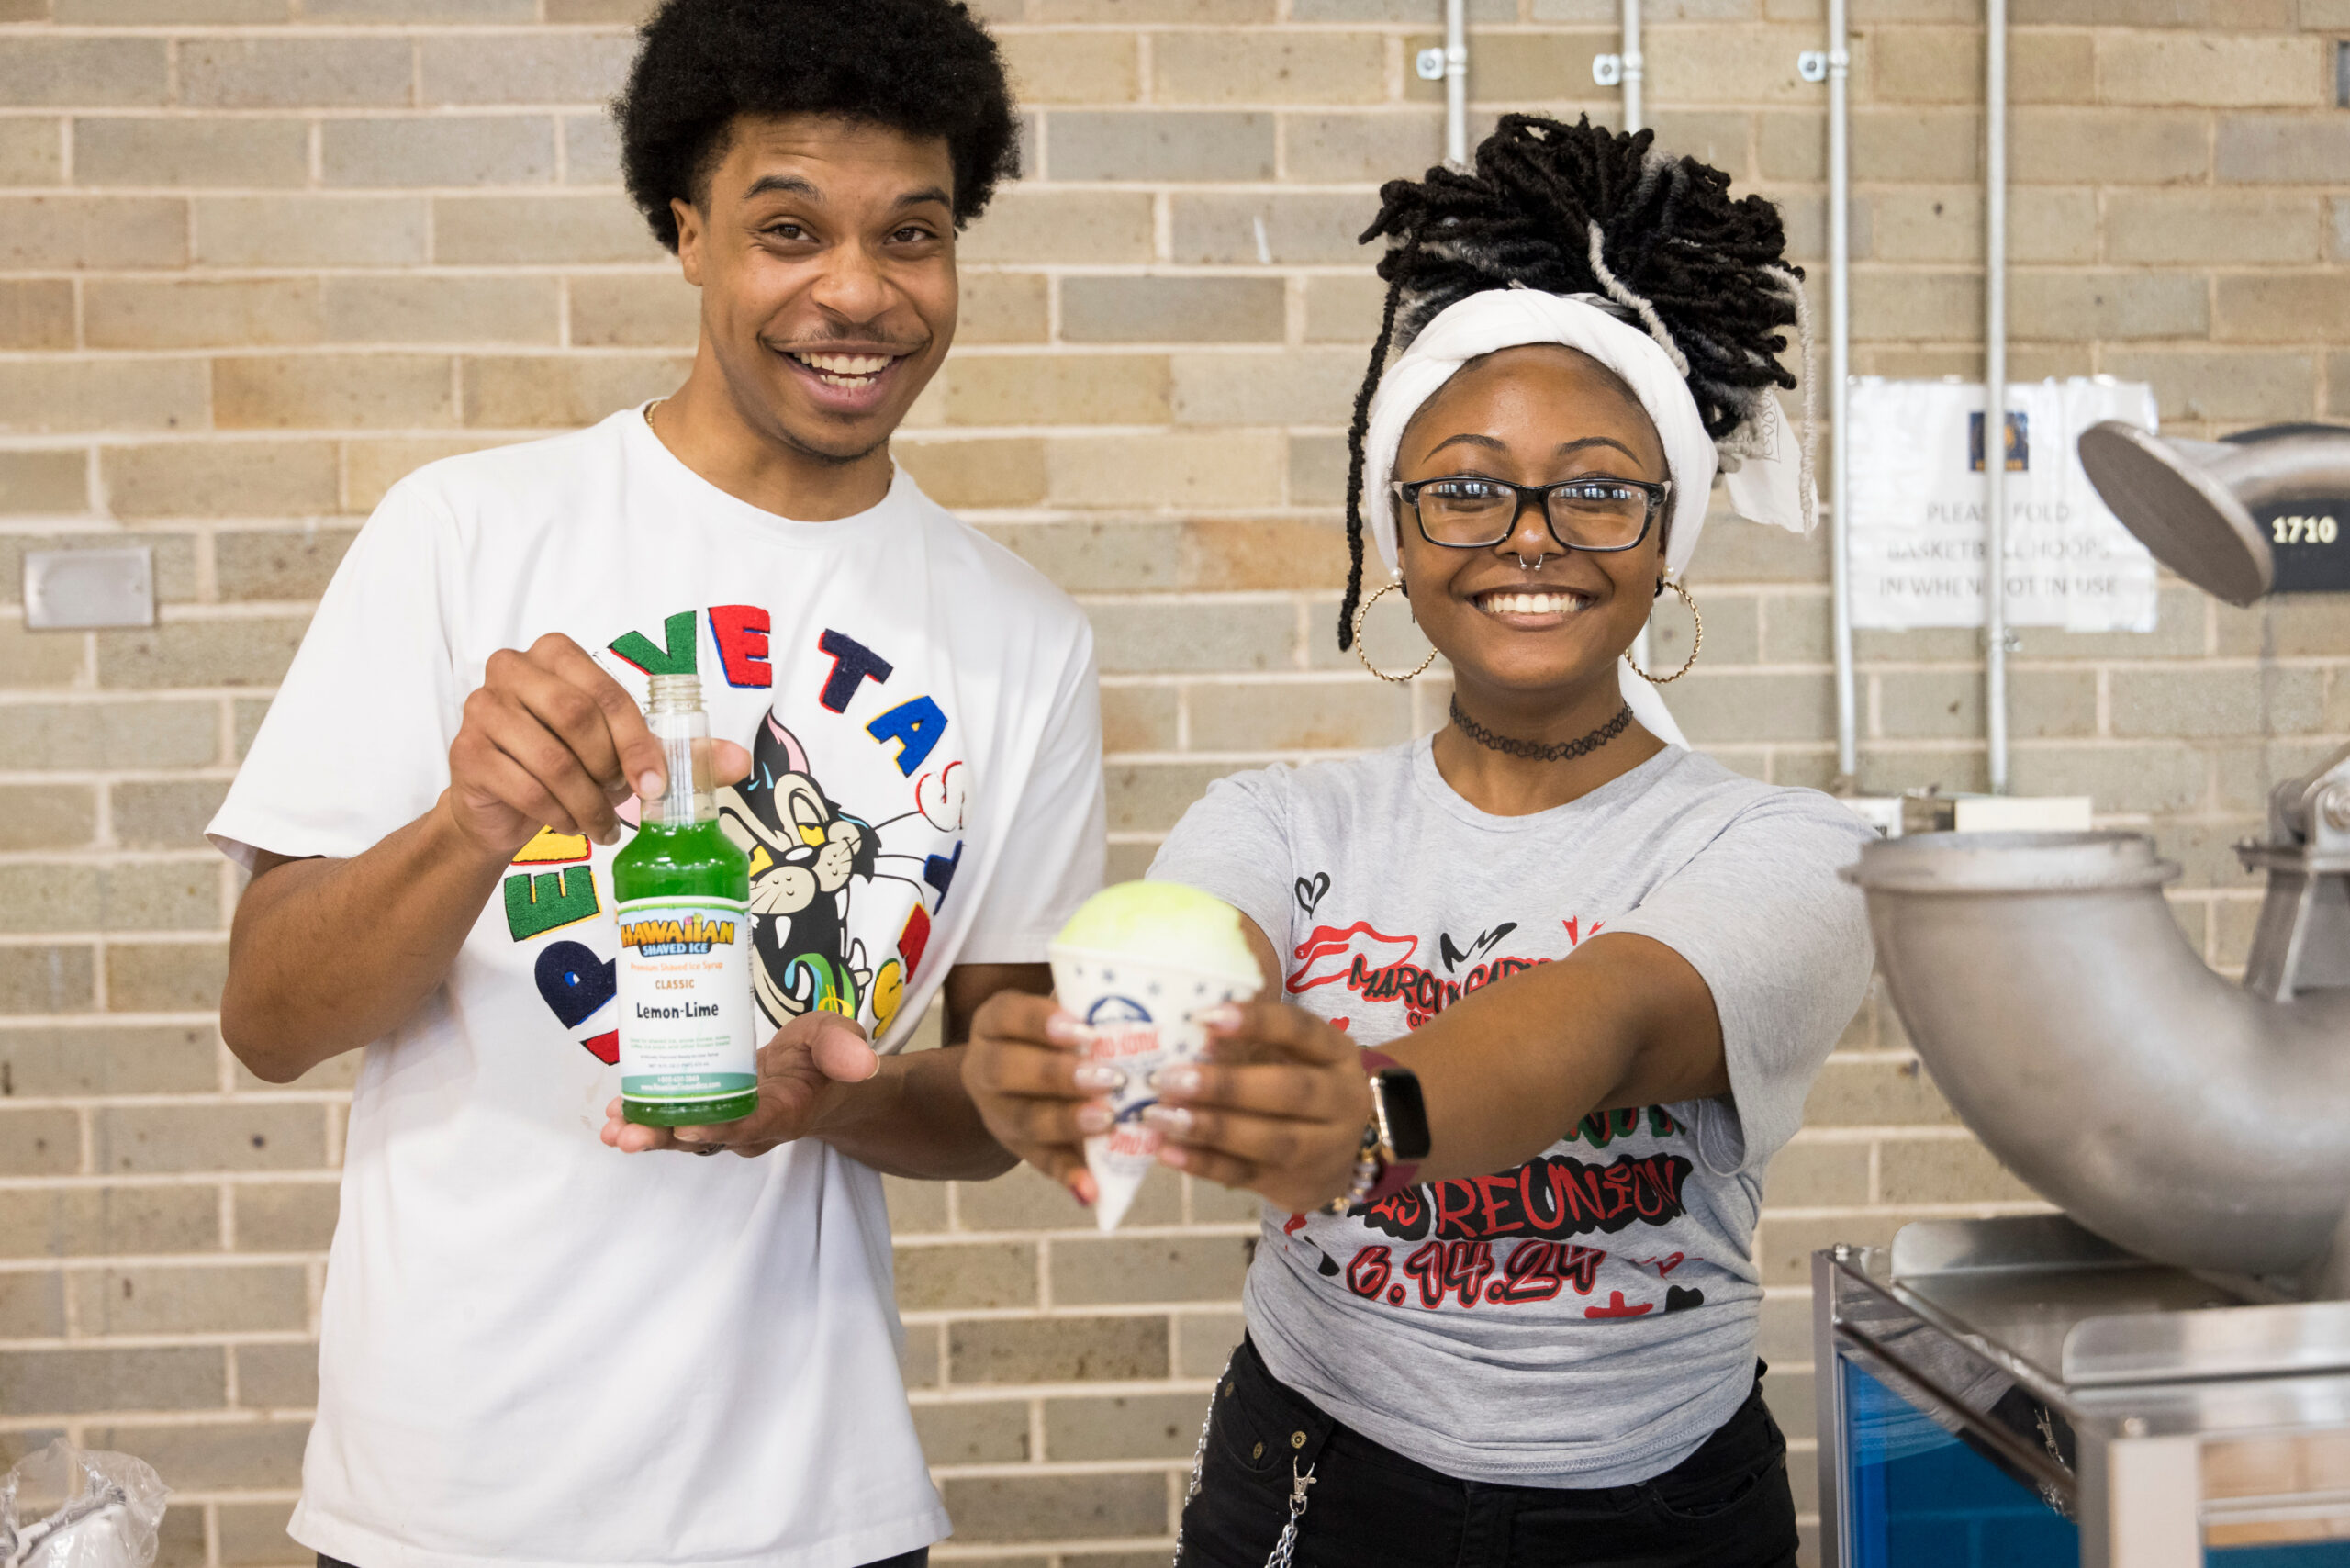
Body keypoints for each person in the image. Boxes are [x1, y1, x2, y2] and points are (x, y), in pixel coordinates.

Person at [206, 4, 1102, 1566]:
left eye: (913, 233)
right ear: (685, 234)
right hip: (452, 1500)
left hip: (812, 1504)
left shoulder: (1022, 635)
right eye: (786, 228)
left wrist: (845, 1099)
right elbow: (271, 1018)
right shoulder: (469, 535)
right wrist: (471, 825)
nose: (858, 291)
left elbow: (1000, 1098)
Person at [961, 116, 1875, 1567]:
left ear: (1665, 540)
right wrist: (1095, 1042)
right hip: (1319, 1475)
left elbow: (1602, 1019)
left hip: (1660, 1512)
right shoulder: (1280, 815)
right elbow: (1194, 942)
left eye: (1595, 487)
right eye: (1465, 486)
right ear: (1396, 532)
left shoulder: (1787, 853)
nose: (1530, 533)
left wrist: (1369, 1117)